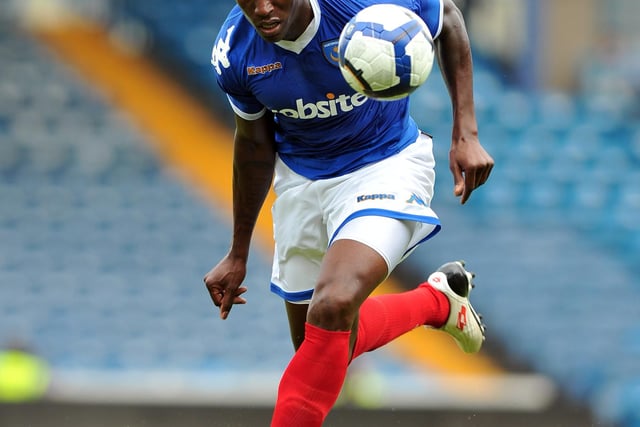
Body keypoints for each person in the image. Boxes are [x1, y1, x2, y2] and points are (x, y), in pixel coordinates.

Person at [205, 0, 494, 424]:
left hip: (385, 164)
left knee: (334, 303)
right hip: (302, 182)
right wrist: (238, 252)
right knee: (322, 347)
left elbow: (447, 17)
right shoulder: (234, 52)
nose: (263, 9)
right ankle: (437, 302)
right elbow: (253, 144)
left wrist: (465, 134)